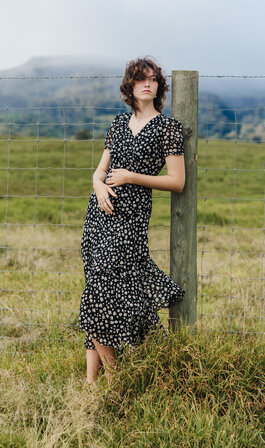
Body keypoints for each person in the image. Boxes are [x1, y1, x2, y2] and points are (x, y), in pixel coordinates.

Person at [78, 57, 186, 386]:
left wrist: (131, 177)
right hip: (98, 216)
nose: (147, 84)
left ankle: (115, 379)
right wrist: (98, 185)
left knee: (108, 292)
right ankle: (91, 382)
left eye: (153, 79)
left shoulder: (168, 128)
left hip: (131, 219)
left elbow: (177, 181)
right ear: (130, 85)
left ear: (159, 87)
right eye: (141, 79)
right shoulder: (118, 122)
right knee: (98, 288)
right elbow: (100, 170)